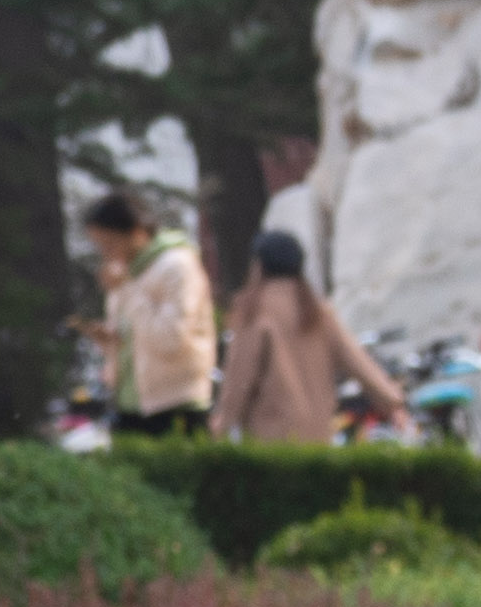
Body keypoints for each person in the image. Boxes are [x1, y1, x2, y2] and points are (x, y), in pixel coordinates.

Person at [214, 229, 412, 445]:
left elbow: (239, 378)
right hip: (318, 437)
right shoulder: (316, 312)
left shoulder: (253, 312)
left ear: (259, 266)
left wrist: (222, 425)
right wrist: (393, 403)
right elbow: (357, 361)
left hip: (271, 441)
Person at [84, 189, 215, 441]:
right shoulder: (124, 271)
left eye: (110, 244)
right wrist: (107, 340)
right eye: (99, 246)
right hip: (129, 402)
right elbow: (133, 339)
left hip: (175, 402)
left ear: (136, 232)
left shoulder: (176, 265)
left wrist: (128, 288)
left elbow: (171, 339)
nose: (105, 254)